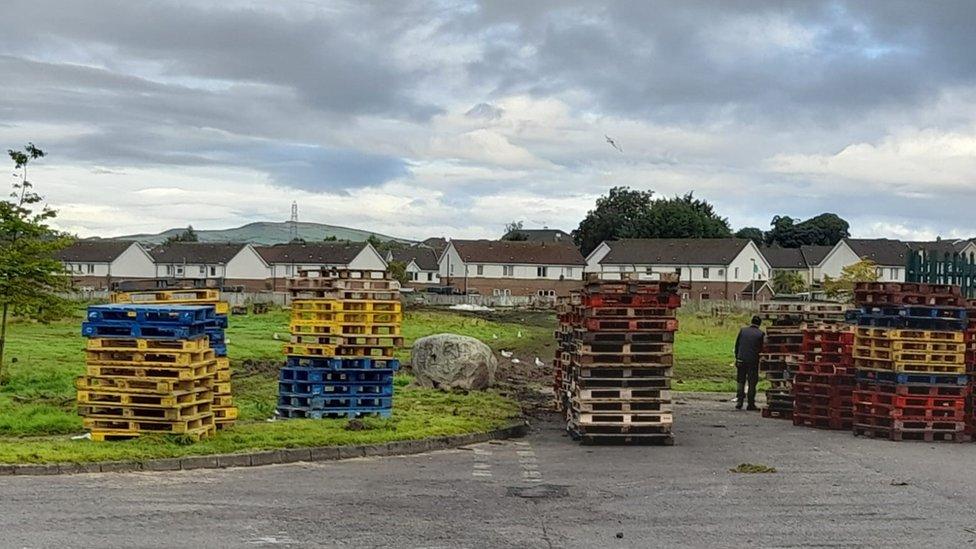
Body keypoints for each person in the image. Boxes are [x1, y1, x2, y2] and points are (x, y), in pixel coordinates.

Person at [733, 315, 764, 411]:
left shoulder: (743, 331)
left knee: (740, 381)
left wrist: (737, 357)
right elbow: (762, 348)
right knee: (752, 382)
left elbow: (737, 345)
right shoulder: (761, 334)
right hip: (753, 361)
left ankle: (739, 401)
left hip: (741, 359)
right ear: (759, 324)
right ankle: (751, 404)